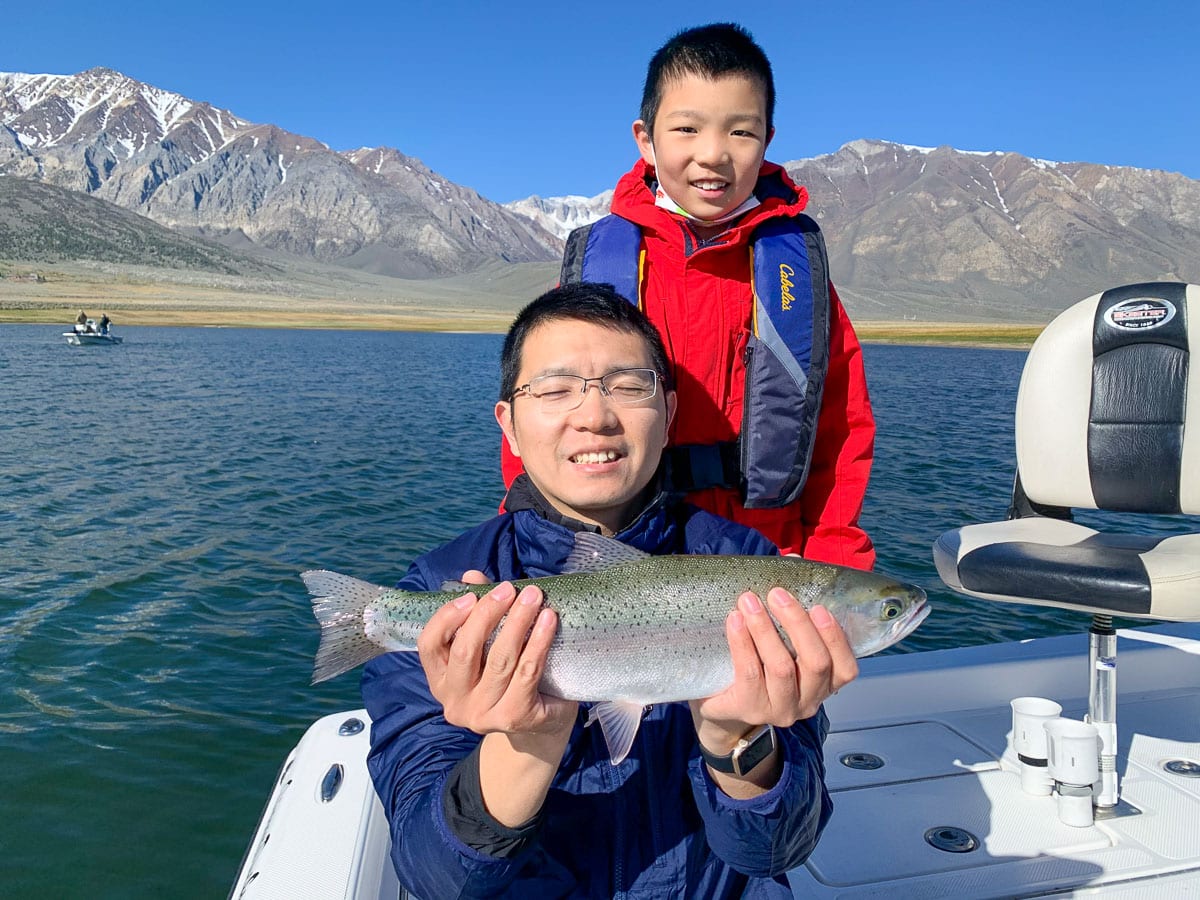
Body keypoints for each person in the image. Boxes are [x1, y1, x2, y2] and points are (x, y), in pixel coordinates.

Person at [362, 283, 858, 898]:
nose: (594, 416)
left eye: (628, 386)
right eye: (554, 388)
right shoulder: (439, 590)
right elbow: (433, 876)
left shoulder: (752, 570)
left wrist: (737, 743)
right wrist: (526, 745)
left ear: (669, 414)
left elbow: (777, 851)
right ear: (509, 425)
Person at [502, 23, 875, 569]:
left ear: (768, 139)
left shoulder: (801, 279)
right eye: (686, 129)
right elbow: (539, 409)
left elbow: (842, 432)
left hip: (768, 555)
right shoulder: (596, 265)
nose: (713, 154)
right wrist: (524, 537)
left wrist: (833, 559)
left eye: (740, 132)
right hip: (616, 557)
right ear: (645, 140)